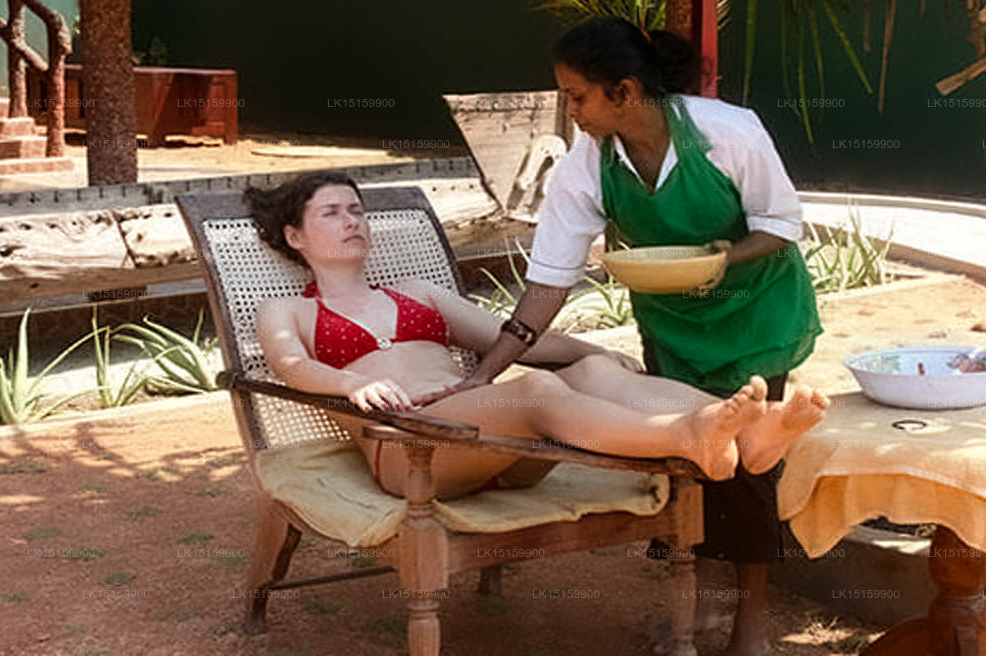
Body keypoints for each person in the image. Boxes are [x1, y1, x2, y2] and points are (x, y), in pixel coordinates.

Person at [436, 16, 824, 656]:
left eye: (577, 97)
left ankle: (750, 625)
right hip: (672, 325)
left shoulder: (728, 132)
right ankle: (697, 609)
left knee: (748, 469)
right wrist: (485, 371)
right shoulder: (588, 164)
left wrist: (726, 257)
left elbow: (781, 223)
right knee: (684, 460)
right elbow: (549, 281)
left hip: (754, 315)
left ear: (624, 91)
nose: (571, 112)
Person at [247, 172, 828, 501]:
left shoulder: (417, 293)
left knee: (588, 372)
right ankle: (688, 435)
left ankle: (752, 431)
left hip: (501, 443)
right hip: (412, 451)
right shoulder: (286, 309)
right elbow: (291, 366)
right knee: (535, 389)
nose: (352, 220)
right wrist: (351, 384)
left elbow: (516, 339)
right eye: (331, 213)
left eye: (356, 209)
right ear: (295, 237)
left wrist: (596, 353)